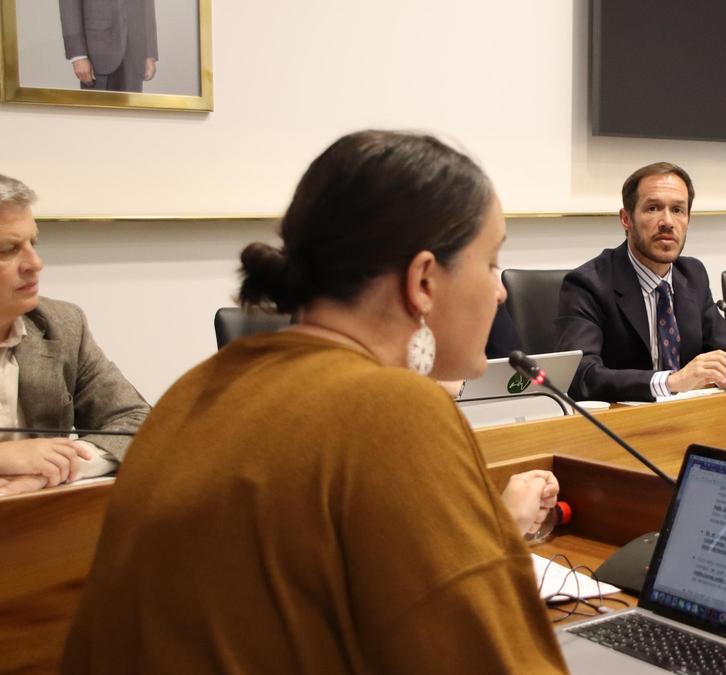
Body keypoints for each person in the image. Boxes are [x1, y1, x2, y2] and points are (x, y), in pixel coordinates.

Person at [62, 131, 568, 673]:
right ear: (422, 280)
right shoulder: (394, 409)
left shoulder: (198, 387)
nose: (500, 291)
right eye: (492, 262)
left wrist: (494, 527)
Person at [0, 175, 148, 497]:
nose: (35, 264)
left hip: (40, 523)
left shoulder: (62, 325)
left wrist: (63, 467)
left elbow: (137, 421)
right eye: (8, 250)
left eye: (33, 244)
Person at [556, 162, 726, 402]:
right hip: (620, 425)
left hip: (690, 417)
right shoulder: (587, 284)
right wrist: (671, 382)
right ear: (626, 219)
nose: (668, 222)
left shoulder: (692, 275)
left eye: (678, 210)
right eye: (653, 208)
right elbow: (580, 376)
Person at [59, 0, 158, 92]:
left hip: (134, 49)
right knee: (98, 110)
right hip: (97, 51)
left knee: (131, 110)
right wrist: (78, 55)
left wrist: (149, 52)